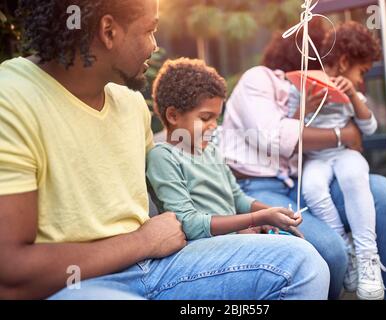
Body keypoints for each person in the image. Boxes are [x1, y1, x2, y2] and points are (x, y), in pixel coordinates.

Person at [0, 0, 329, 300]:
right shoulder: (11, 98)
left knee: (301, 264)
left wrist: (243, 221)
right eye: (150, 30)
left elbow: (182, 202)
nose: (156, 46)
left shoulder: (130, 104)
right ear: (109, 31)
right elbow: (11, 273)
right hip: (79, 285)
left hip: (159, 267)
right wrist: (141, 242)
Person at [219, 28, 386, 300]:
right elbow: (275, 137)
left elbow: (352, 127)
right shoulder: (258, 79)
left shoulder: (325, 90)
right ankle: (346, 257)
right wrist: (342, 135)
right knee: (332, 251)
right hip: (259, 187)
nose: (333, 72)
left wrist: (344, 124)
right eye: (328, 62)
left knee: (385, 195)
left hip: (303, 180)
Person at [147, 58, 305, 240]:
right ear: (173, 115)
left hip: (232, 240)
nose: (214, 126)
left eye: (216, 118)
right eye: (206, 118)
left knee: (295, 243)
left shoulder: (211, 151)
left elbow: (237, 198)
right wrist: (254, 219)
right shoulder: (163, 157)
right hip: (204, 249)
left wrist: (272, 213)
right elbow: (189, 224)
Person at [291, 22, 386, 300]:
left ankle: (368, 256)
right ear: (344, 61)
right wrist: (305, 106)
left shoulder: (354, 93)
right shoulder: (306, 86)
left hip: (345, 154)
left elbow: (369, 128)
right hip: (317, 159)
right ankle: (347, 250)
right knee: (312, 188)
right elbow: (289, 129)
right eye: (362, 72)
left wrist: (354, 96)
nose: (361, 80)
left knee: (355, 176)